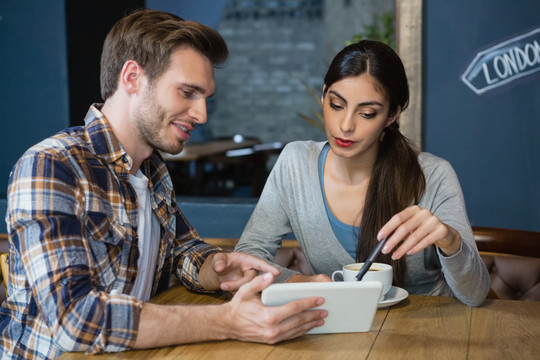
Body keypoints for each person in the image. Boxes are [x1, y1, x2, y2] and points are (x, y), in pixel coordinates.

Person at [0, 9, 328, 359]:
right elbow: (77, 320)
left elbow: (181, 253)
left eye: (205, 98)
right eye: (187, 92)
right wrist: (226, 321)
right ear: (132, 78)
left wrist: (218, 268)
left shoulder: (153, 171)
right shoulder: (51, 166)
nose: (201, 114)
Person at [235, 40, 490, 307]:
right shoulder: (295, 165)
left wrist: (449, 241)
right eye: (336, 105)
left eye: (367, 113)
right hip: (339, 331)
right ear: (323, 96)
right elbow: (248, 257)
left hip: (428, 334)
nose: (346, 125)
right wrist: (298, 283)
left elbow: (475, 294)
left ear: (391, 115)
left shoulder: (434, 176)